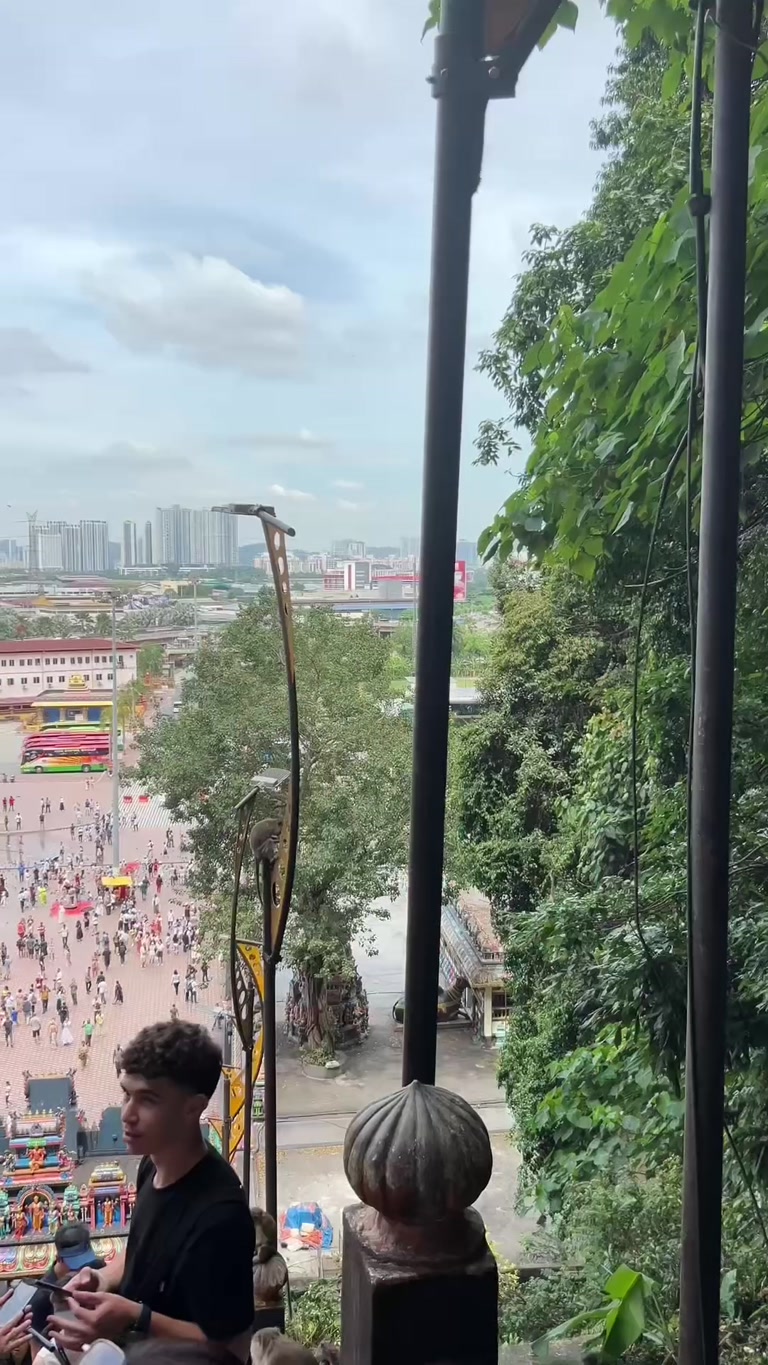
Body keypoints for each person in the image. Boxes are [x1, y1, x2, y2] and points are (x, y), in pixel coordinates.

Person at [50, 1020, 255, 1358]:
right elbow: (146, 1251)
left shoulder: (220, 1218)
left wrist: (134, 1317)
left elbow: (230, 1345)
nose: (127, 1114)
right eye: (126, 1093)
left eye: (148, 1100)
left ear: (194, 1107)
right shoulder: (152, 1164)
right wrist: (103, 1280)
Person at [29, 1221, 106, 1354]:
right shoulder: (41, 1298)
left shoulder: (97, 1269)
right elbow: (36, 1347)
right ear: (59, 1259)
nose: (83, 1271)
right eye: (75, 1264)